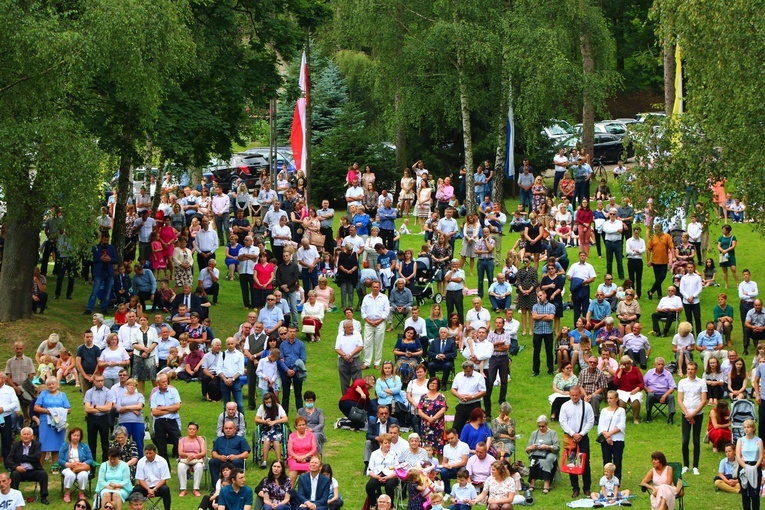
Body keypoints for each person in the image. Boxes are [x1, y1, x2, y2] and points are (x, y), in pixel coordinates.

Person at [560, 386, 594, 498]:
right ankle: (575, 488)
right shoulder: (565, 406)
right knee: (572, 462)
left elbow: (590, 422)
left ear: (580, 394)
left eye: (576, 395)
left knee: (585, 462)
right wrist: (572, 433)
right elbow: (562, 422)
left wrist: (581, 434)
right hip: (570, 437)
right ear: (569, 395)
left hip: (583, 437)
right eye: (572, 395)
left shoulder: (587, 406)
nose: (574, 397)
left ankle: (587, 488)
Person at [5, 427, 49, 504]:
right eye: (24, 434)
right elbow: (8, 460)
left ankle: (44, 497)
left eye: (28, 434)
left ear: (32, 436)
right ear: (21, 436)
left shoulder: (37, 444)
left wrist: (22, 457)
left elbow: (37, 457)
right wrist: (16, 467)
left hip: (34, 470)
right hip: (20, 471)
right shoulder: (16, 445)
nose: (26, 436)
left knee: (43, 474)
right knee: (14, 474)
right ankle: (14, 498)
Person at [678, 362, 707, 475]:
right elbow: (680, 399)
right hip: (685, 413)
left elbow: (703, 400)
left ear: (696, 370)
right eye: (688, 369)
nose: (690, 371)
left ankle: (695, 466)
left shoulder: (701, 382)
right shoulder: (682, 382)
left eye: (692, 369)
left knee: (696, 440)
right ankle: (685, 465)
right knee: (685, 440)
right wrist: (687, 414)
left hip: (697, 414)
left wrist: (693, 414)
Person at [34, 376, 70, 465]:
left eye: (53, 384)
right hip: (45, 421)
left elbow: (69, 409)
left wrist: (58, 412)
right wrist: (47, 411)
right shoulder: (43, 394)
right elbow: (36, 407)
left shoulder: (63, 395)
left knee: (57, 445)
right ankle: (39, 466)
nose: (51, 386)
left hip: (59, 422)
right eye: (49, 384)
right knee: (43, 444)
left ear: (57, 385)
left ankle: (55, 466)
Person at [150, 373, 182, 461]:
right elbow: (154, 412)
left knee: (179, 443)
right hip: (159, 423)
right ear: (158, 384)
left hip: (172, 421)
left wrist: (163, 408)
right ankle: (165, 471)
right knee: (162, 449)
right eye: (163, 382)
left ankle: (185, 470)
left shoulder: (173, 391)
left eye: (166, 381)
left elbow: (177, 407)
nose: (165, 383)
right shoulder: (154, 396)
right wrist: (170, 409)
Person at [597, 391, 626, 482]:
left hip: (618, 439)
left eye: (611, 398)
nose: (609, 400)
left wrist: (610, 434)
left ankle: (616, 482)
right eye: (608, 398)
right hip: (606, 439)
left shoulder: (621, 410)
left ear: (616, 399)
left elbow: (621, 425)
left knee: (617, 461)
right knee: (606, 460)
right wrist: (607, 437)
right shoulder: (604, 410)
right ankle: (606, 482)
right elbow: (601, 425)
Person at [130, 444, 171, 510]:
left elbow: (164, 479)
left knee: (166, 489)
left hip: (158, 487)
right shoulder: (141, 462)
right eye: (147, 453)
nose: (148, 455)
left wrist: (154, 489)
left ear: (155, 452)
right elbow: (141, 480)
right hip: (145, 487)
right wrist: (149, 490)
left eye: (150, 453)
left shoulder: (162, 461)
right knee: (136, 489)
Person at [209, 421, 249, 487]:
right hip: (221, 461)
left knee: (237, 461)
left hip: (234, 461)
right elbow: (214, 453)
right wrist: (219, 457)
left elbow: (246, 454)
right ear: (223, 429)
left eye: (230, 428)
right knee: (212, 462)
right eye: (226, 428)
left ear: (235, 429)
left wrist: (236, 456)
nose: (228, 430)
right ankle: (216, 486)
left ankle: (236, 484)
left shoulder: (241, 439)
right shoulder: (218, 440)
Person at [525, 415, 559, 494]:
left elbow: (557, 447)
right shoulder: (534, 433)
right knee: (534, 460)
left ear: (546, 425)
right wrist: (532, 447)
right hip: (536, 453)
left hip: (549, 452)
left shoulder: (552, 433)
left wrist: (547, 447)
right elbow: (527, 448)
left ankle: (546, 485)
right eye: (539, 426)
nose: (541, 428)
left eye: (542, 426)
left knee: (546, 460)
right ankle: (532, 484)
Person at [450, 361, 486, 434]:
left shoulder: (479, 376)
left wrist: (472, 397)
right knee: (456, 427)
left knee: (474, 426)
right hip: (461, 405)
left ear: (473, 369)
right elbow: (453, 389)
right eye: (465, 371)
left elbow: (483, 391)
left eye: (468, 371)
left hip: (474, 405)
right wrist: (459, 396)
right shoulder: (459, 376)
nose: (467, 373)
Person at [361, 281, 390, 370]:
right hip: (369, 323)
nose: (375, 288)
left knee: (378, 343)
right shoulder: (366, 298)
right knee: (367, 343)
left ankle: (377, 362)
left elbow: (386, 311)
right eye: (374, 287)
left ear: (379, 287)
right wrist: (369, 321)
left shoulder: (384, 298)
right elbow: (363, 311)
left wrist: (379, 320)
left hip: (380, 323)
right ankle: (367, 362)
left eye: (377, 287)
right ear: (371, 288)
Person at [255, 392, 289, 468]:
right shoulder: (262, 407)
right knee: (266, 441)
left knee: (276, 441)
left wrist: (275, 422)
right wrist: (265, 422)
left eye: (269, 402)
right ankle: (264, 461)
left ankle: (279, 461)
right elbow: (256, 419)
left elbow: (285, 418)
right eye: (266, 402)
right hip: (266, 428)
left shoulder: (278, 407)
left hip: (276, 428)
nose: (268, 403)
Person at [736, 419, 764, 510]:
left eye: (748, 427)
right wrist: (745, 467)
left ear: (753, 428)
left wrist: (755, 467)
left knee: (755, 494)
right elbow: (738, 455)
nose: (746, 429)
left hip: (755, 466)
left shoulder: (758, 440)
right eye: (744, 427)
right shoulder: (740, 440)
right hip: (744, 466)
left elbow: (761, 456)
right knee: (745, 494)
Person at [365, 433, 398, 506]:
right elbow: (369, 471)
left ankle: (390, 505)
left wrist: (388, 477)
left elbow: (397, 470)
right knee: (369, 486)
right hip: (377, 475)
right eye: (385, 443)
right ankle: (373, 505)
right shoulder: (374, 454)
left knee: (389, 486)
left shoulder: (394, 454)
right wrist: (377, 477)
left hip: (390, 476)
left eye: (389, 443)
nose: (388, 445)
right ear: (381, 444)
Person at [97, 446, 133, 510]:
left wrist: (117, 486)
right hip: (107, 487)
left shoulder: (124, 465)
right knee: (106, 494)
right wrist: (109, 487)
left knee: (116, 495)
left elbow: (126, 481)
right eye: (110, 459)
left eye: (114, 459)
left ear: (118, 457)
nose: (112, 461)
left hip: (121, 488)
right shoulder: (103, 465)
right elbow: (101, 481)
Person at [567, 251, 597, 324]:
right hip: (576, 288)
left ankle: (585, 324)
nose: (582, 256)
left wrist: (584, 282)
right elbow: (569, 276)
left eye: (584, 255)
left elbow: (593, 278)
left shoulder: (589, 266)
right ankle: (576, 325)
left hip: (585, 288)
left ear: (586, 257)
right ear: (579, 256)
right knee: (576, 309)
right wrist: (577, 281)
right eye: (581, 255)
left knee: (585, 308)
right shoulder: (574, 266)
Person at [644, 357, 677, 424]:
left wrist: (664, 396)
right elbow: (642, 384)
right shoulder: (649, 373)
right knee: (650, 396)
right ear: (655, 365)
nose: (661, 366)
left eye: (662, 364)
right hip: (653, 394)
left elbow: (672, 387)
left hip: (664, 394)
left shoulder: (668, 374)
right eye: (659, 364)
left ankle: (670, 417)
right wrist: (647, 389)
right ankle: (648, 415)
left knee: (671, 397)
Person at [646, 224, 675, 300]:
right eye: (655, 228)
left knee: (662, 277)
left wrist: (673, 257)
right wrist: (648, 260)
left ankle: (651, 291)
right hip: (655, 262)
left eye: (657, 228)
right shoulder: (652, 237)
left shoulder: (667, 236)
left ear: (661, 229)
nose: (655, 229)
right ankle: (659, 294)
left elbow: (671, 247)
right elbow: (648, 249)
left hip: (664, 261)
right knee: (657, 278)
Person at [177, 422, 206, 497]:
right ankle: (183, 489)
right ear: (187, 430)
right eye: (190, 429)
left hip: (197, 460)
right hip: (185, 460)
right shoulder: (182, 440)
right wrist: (187, 455)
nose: (192, 431)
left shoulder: (200, 440)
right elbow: (180, 453)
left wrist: (194, 456)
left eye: (194, 429)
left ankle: (196, 489)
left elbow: (203, 453)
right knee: (181, 466)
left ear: (197, 431)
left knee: (199, 466)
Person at [531, 290, 556, 377]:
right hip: (537, 332)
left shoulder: (551, 306)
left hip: (548, 332)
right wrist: (545, 315)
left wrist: (539, 316)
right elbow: (534, 316)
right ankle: (535, 370)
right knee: (536, 352)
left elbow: (551, 318)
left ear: (545, 295)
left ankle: (551, 369)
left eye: (541, 295)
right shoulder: (535, 306)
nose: (539, 297)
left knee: (549, 352)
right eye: (538, 296)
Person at [717, 224, 738, 288]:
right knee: (724, 270)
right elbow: (718, 245)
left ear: (728, 230)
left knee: (733, 269)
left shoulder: (733, 237)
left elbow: (733, 245)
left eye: (724, 230)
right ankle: (726, 284)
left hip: (730, 255)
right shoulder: (721, 237)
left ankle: (737, 283)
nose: (722, 231)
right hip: (723, 255)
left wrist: (726, 250)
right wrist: (722, 250)